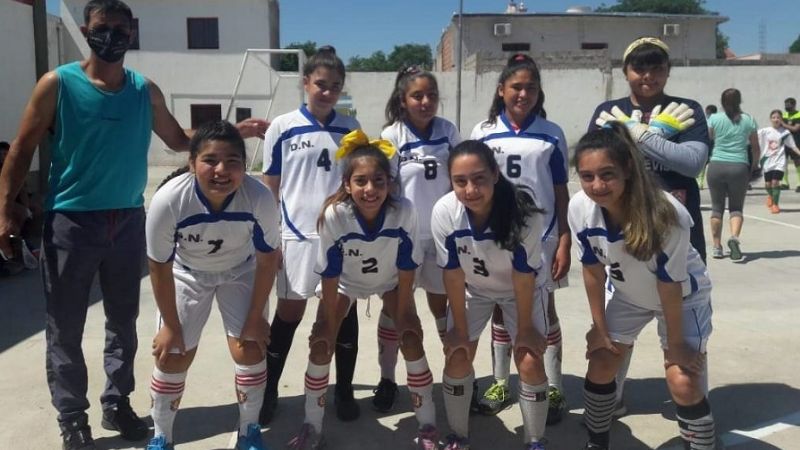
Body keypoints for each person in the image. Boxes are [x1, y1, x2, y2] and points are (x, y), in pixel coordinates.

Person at [0, 1, 268, 448]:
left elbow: (184, 142)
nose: (113, 37)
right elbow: (22, 147)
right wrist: (6, 208)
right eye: (103, 28)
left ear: (132, 32)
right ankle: (72, 415)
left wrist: (233, 133)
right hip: (71, 220)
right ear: (87, 30)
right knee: (65, 324)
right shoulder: (58, 84)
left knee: (122, 320)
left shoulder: (145, 91)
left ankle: (117, 402)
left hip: (127, 221)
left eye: (121, 30)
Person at [288, 130, 437, 449]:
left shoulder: (404, 211)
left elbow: (407, 266)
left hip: (390, 280)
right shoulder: (334, 215)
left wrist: (405, 314)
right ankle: (311, 426)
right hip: (346, 283)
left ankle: (427, 426)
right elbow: (330, 274)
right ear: (347, 185)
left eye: (379, 181)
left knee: (411, 337)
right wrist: (327, 321)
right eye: (361, 181)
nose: (370, 189)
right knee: (320, 343)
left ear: (390, 184)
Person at [570, 124, 714, 450]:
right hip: (628, 295)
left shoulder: (666, 214)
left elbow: (670, 284)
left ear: (629, 170)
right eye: (587, 176)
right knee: (602, 361)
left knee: (682, 381)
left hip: (683, 299)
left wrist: (675, 343)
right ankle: (597, 442)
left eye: (607, 174)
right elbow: (592, 270)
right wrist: (599, 327)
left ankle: (704, 444)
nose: (597, 185)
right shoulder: (579, 207)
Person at [588, 37, 709, 417]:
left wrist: (640, 134)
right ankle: (612, 398)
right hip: (623, 239)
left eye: (657, 67)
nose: (648, 75)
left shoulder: (687, 110)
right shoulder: (608, 111)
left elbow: (691, 164)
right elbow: (601, 164)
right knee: (618, 328)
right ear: (625, 72)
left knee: (687, 331)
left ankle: (693, 404)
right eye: (639, 67)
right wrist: (656, 138)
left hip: (676, 236)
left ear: (668, 71)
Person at [144, 121, 279, 450]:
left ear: (245, 167)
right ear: (191, 163)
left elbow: (267, 260)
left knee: (250, 347)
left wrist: (255, 318)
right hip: (188, 273)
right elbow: (159, 267)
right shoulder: (169, 200)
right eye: (210, 160)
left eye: (233, 161)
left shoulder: (258, 197)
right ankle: (162, 436)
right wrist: (170, 326)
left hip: (240, 271)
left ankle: (249, 430)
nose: (222, 170)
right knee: (172, 354)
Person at [259, 46, 362, 425]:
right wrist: (272, 239)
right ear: (305, 83)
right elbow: (270, 187)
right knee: (290, 313)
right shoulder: (282, 127)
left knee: (340, 314)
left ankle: (344, 392)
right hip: (295, 237)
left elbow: (359, 183)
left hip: (339, 237)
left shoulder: (351, 129)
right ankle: (269, 391)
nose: (327, 92)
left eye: (335, 86)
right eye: (320, 84)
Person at [470, 53, 571, 424]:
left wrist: (564, 238)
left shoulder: (551, 133)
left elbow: (561, 190)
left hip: (541, 238)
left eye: (530, 87)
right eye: (516, 86)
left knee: (545, 310)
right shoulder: (482, 132)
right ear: (502, 90)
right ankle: (500, 382)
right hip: (495, 237)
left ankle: (554, 385)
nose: (523, 93)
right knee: (500, 305)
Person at [432, 140, 549, 450]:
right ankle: (458, 435)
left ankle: (535, 440)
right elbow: (453, 274)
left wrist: (524, 329)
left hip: (520, 290)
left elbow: (524, 277)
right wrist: (458, 329)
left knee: (529, 360)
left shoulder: (523, 212)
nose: (471, 189)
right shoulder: (445, 212)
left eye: (479, 178)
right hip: (475, 288)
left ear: (496, 174)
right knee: (457, 355)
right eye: (460, 181)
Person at [371, 65, 461, 413]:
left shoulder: (448, 130)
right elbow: (386, 187)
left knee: (443, 309)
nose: (426, 102)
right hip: (403, 237)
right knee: (396, 308)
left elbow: (459, 179)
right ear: (403, 100)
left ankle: (454, 377)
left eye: (431, 96)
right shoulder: (391, 135)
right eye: (417, 96)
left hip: (440, 236)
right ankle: (388, 378)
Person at [706, 88, 759, 260]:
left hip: (717, 165)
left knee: (716, 208)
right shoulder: (749, 120)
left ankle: (716, 247)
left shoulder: (714, 119)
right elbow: (756, 148)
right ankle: (734, 238)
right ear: (740, 101)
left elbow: (708, 140)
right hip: (739, 166)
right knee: (736, 208)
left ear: (722, 102)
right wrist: (754, 167)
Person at [759, 110, 800, 213]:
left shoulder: (785, 133)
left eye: (778, 117)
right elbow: (751, 137)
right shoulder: (764, 131)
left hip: (779, 161)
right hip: (767, 161)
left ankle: (775, 205)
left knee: (775, 182)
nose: (776, 119)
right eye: (773, 117)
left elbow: (793, 146)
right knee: (768, 184)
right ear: (770, 119)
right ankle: (770, 195)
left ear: (781, 119)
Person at [780, 97, 800, 190]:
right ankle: (785, 183)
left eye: (789, 105)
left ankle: (799, 184)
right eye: (785, 104)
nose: (787, 106)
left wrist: (783, 125)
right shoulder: (783, 115)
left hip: (796, 142)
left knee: (798, 162)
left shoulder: (798, 115)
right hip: (784, 142)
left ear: (794, 105)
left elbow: (796, 128)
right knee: (783, 162)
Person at [696, 105, 717, 189]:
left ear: (707, 112)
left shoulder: (707, 120)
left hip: (708, 142)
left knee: (703, 163)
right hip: (717, 143)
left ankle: (700, 182)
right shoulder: (719, 120)